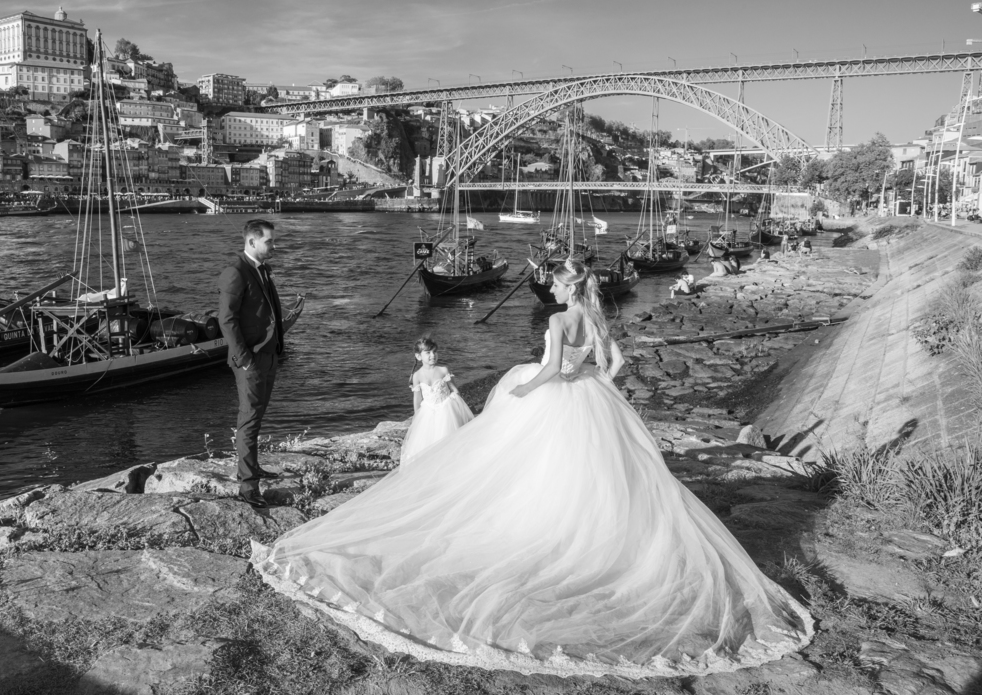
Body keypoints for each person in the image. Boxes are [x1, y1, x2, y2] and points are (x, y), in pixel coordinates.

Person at [254, 259, 812, 678]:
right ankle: (591, 535)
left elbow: (548, 369)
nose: (553, 286)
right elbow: (613, 363)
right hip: (590, 396)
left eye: (556, 281)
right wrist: (594, 384)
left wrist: (525, 388)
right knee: (593, 475)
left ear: (566, 286)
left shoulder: (557, 319)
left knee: (523, 467)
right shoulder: (592, 318)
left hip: (558, 393)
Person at [218, 219, 286, 510]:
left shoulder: (262, 269)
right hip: (251, 359)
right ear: (252, 242)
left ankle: (252, 468)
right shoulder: (235, 272)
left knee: (256, 417)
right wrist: (244, 358)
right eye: (269, 241)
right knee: (248, 420)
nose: (274, 245)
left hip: (268, 355)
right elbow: (226, 319)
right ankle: (248, 486)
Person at [401, 336, 474, 466]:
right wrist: (417, 418)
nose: (432, 355)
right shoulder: (417, 376)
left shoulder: (443, 370)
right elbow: (417, 399)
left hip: (447, 409)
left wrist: (454, 401)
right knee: (427, 444)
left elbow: (454, 390)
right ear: (418, 356)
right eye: (428, 353)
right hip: (428, 412)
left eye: (435, 352)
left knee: (448, 440)